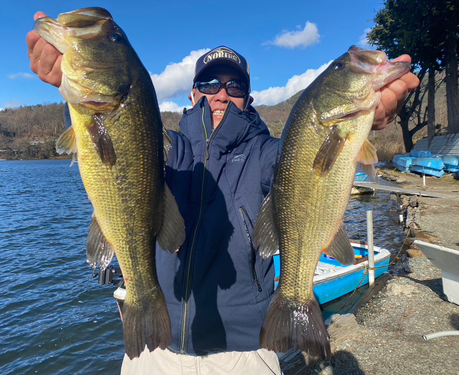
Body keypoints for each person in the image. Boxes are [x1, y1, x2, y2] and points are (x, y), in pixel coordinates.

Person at [27, 12, 420, 375]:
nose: (221, 92)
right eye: (209, 82)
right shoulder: (167, 149)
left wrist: (369, 116)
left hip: (246, 353)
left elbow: (307, 157)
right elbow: (117, 139)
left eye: (235, 84)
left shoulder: (269, 154)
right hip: (155, 352)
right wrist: (71, 88)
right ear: (193, 95)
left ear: (248, 98)